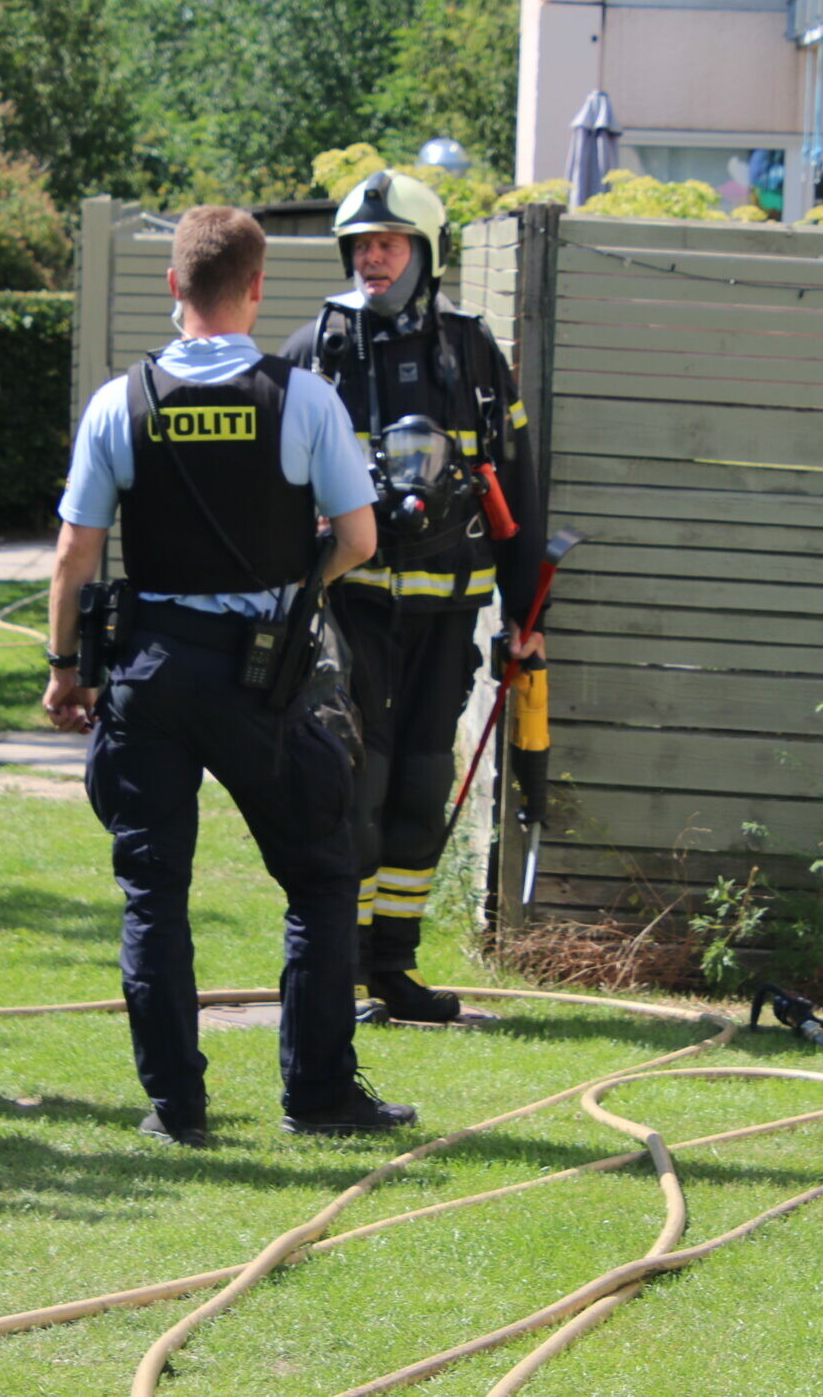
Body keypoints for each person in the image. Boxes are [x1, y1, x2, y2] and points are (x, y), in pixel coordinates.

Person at [43, 205, 412, 1147]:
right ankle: (318, 1093)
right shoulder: (305, 399)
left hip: (151, 671)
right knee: (320, 880)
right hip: (265, 678)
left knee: (154, 892)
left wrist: (64, 672)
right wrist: (295, 587)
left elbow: (73, 556)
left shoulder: (118, 403)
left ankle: (177, 1108)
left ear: (175, 286)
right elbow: (360, 539)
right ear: (255, 290)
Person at [279, 171, 546, 1024]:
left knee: (421, 785)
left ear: (424, 252)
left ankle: (394, 963)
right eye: (360, 246)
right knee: (356, 779)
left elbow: (520, 492)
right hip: (348, 608)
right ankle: (344, 962)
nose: (372, 260)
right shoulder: (311, 348)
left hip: (447, 612)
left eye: (388, 244)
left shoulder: (471, 353)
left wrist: (528, 620)